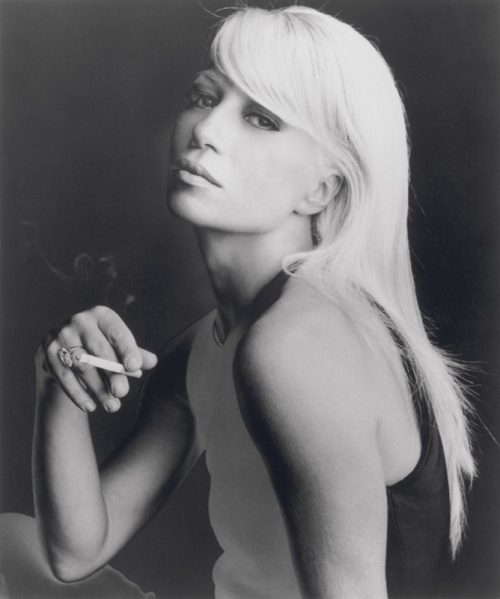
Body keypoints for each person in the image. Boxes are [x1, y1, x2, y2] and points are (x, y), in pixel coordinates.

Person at [32, 5, 476, 599]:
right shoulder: (209, 343)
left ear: (322, 188)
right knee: (12, 542)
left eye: (262, 119)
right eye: (204, 97)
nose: (207, 131)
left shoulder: (297, 346)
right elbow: (75, 552)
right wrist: (56, 381)